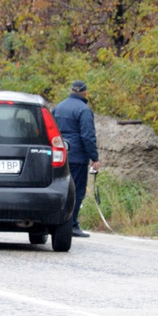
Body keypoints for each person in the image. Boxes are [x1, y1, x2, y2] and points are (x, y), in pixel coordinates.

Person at [52, 80, 100, 237]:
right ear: (85, 93)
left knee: (61, 189)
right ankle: (72, 224)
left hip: (60, 156)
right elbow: (87, 136)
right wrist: (94, 157)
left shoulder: (58, 107)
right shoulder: (84, 110)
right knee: (77, 191)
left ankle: (58, 222)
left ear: (71, 90)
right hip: (77, 157)